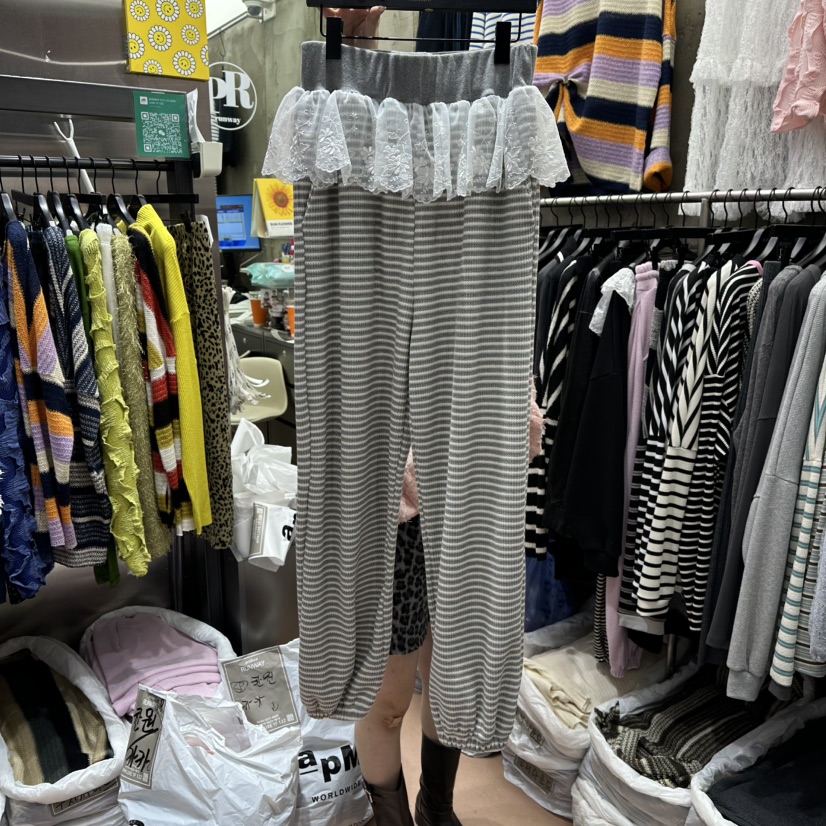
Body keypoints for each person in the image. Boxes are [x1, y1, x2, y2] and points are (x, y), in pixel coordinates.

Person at [318, 13, 465, 825]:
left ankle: (437, 808)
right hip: (394, 514)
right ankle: (393, 815)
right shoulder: (354, 233)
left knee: (452, 680)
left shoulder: (468, 224)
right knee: (388, 696)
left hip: (464, 492)